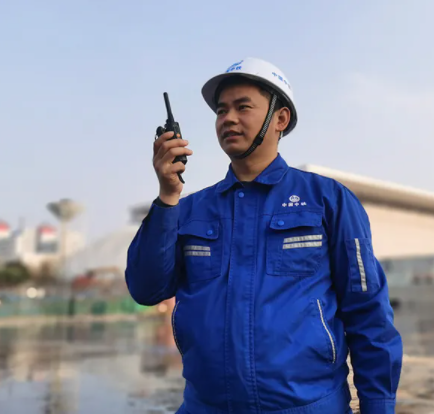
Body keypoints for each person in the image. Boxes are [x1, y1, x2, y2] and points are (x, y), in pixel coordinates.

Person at [126, 57, 403, 414]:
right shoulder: (189, 210)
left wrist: (378, 407)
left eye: (243, 107)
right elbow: (146, 290)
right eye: (221, 110)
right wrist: (167, 197)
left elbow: (369, 316)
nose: (228, 118)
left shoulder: (328, 200)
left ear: (280, 119)